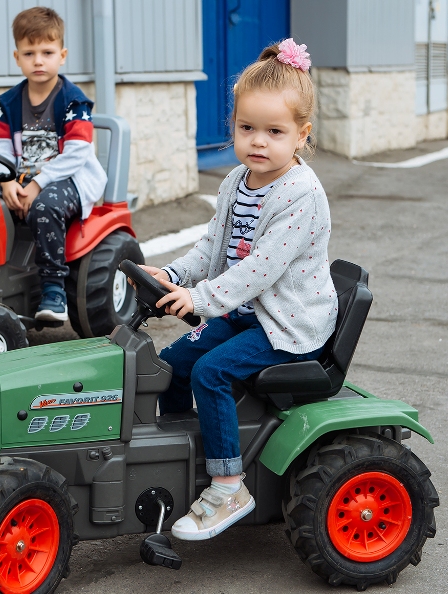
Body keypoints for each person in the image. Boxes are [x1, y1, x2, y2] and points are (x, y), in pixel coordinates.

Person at [139, 39, 338, 541]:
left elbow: (261, 270)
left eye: (275, 131)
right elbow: (213, 247)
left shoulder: (301, 195)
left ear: (301, 135)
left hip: (288, 321)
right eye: (247, 128)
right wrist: (175, 277)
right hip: (250, 312)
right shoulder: (237, 181)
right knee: (175, 362)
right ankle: (185, 455)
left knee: (211, 370)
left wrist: (201, 300)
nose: (258, 141)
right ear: (233, 125)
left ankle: (229, 484)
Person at [0, 6, 107, 322]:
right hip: (23, 177)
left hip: (70, 178)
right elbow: (0, 148)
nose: (38, 60)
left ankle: (53, 288)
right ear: (17, 58)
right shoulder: (9, 104)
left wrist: (37, 184)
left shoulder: (72, 101)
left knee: (44, 206)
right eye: (29, 53)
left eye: (47, 51)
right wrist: (6, 181)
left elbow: (78, 153)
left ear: (62, 55)